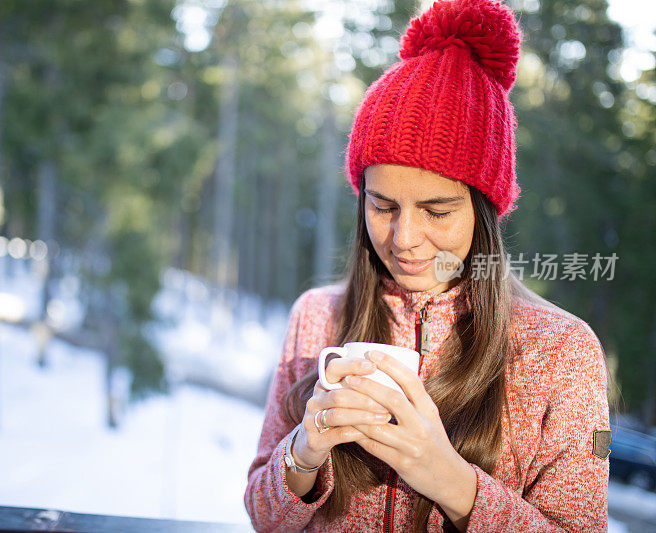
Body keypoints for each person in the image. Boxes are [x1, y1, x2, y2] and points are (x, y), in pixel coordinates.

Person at [243, 0, 612, 531]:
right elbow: (262, 515)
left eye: (437, 210)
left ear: (485, 209)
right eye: (382, 206)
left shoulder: (560, 352)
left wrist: (449, 480)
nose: (405, 239)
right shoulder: (316, 317)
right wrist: (306, 448)